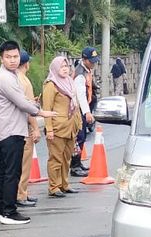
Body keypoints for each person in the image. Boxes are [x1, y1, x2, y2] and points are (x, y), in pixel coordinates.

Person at [0, 41, 58, 225]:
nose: (13, 60)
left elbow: (21, 101)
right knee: (12, 172)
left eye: (15, 57)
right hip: (11, 131)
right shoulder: (6, 78)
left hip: (8, 130)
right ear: (1, 58)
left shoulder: (11, 75)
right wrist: (41, 111)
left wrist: (33, 107)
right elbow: (22, 103)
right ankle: (9, 212)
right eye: (8, 57)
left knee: (5, 172)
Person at [42, 56, 82, 199]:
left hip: (71, 127)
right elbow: (46, 108)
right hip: (57, 128)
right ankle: (54, 186)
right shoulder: (51, 85)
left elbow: (75, 105)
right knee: (55, 158)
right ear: (54, 68)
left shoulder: (70, 82)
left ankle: (65, 184)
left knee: (66, 158)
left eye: (67, 66)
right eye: (62, 66)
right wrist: (49, 129)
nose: (65, 69)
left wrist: (78, 123)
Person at [15, 50, 41, 209]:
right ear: (26, 64)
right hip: (25, 128)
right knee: (24, 165)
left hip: (18, 128)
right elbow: (28, 109)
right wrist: (36, 128)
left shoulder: (15, 79)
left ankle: (21, 193)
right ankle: (21, 195)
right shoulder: (24, 81)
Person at [72, 46, 100, 177]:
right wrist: (86, 113)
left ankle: (78, 164)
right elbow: (80, 96)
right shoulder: (80, 75)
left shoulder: (86, 70)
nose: (93, 63)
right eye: (91, 60)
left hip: (82, 109)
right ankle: (74, 166)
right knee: (79, 137)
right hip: (78, 111)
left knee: (82, 137)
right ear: (84, 59)